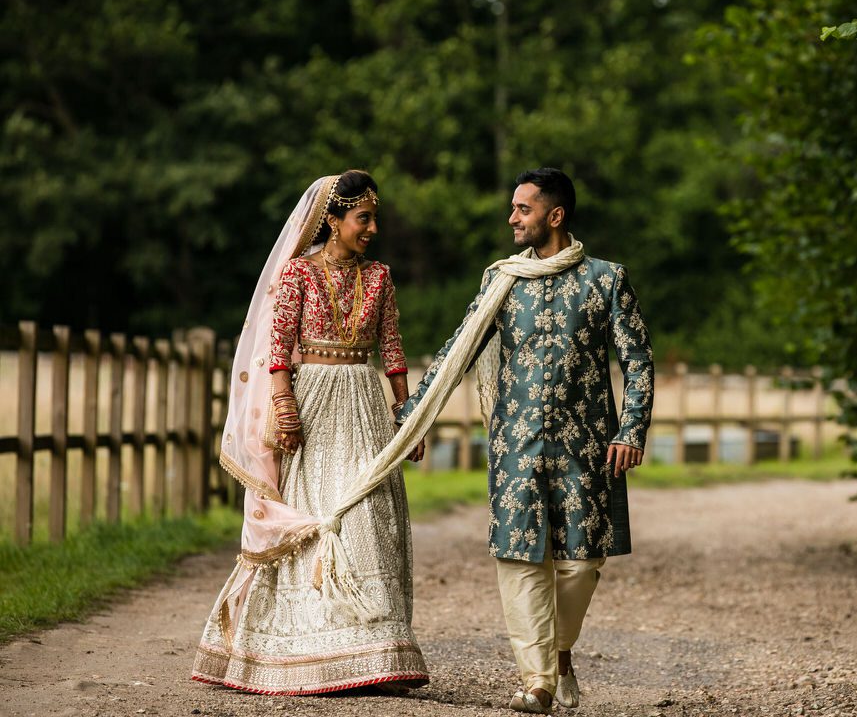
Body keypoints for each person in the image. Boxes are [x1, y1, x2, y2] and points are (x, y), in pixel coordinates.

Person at [398, 167, 654, 713]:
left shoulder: (607, 279)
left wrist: (631, 429)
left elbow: (637, 362)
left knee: (581, 564)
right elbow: (458, 351)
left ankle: (560, 652)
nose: (512, 219)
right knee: (519, 560)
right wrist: (414, 416)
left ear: (554, 216)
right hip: (515, 445)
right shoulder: (502, 281)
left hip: (586, 448)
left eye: (523, 209)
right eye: (513, 209)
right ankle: (537, 681)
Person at [191, 171, 430, 695]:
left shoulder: (381, 277)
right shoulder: (298, 273)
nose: (372, 227)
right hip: (312, 403)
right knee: (317, 511)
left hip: (365, 404)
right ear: (334, 220)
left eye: (374, 217)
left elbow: (391, 350)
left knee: (369, 512)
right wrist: (284, 405)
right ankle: (305, 649)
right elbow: (277, 350)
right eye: (363, 218)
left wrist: (406, 415)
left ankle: (375, 652)